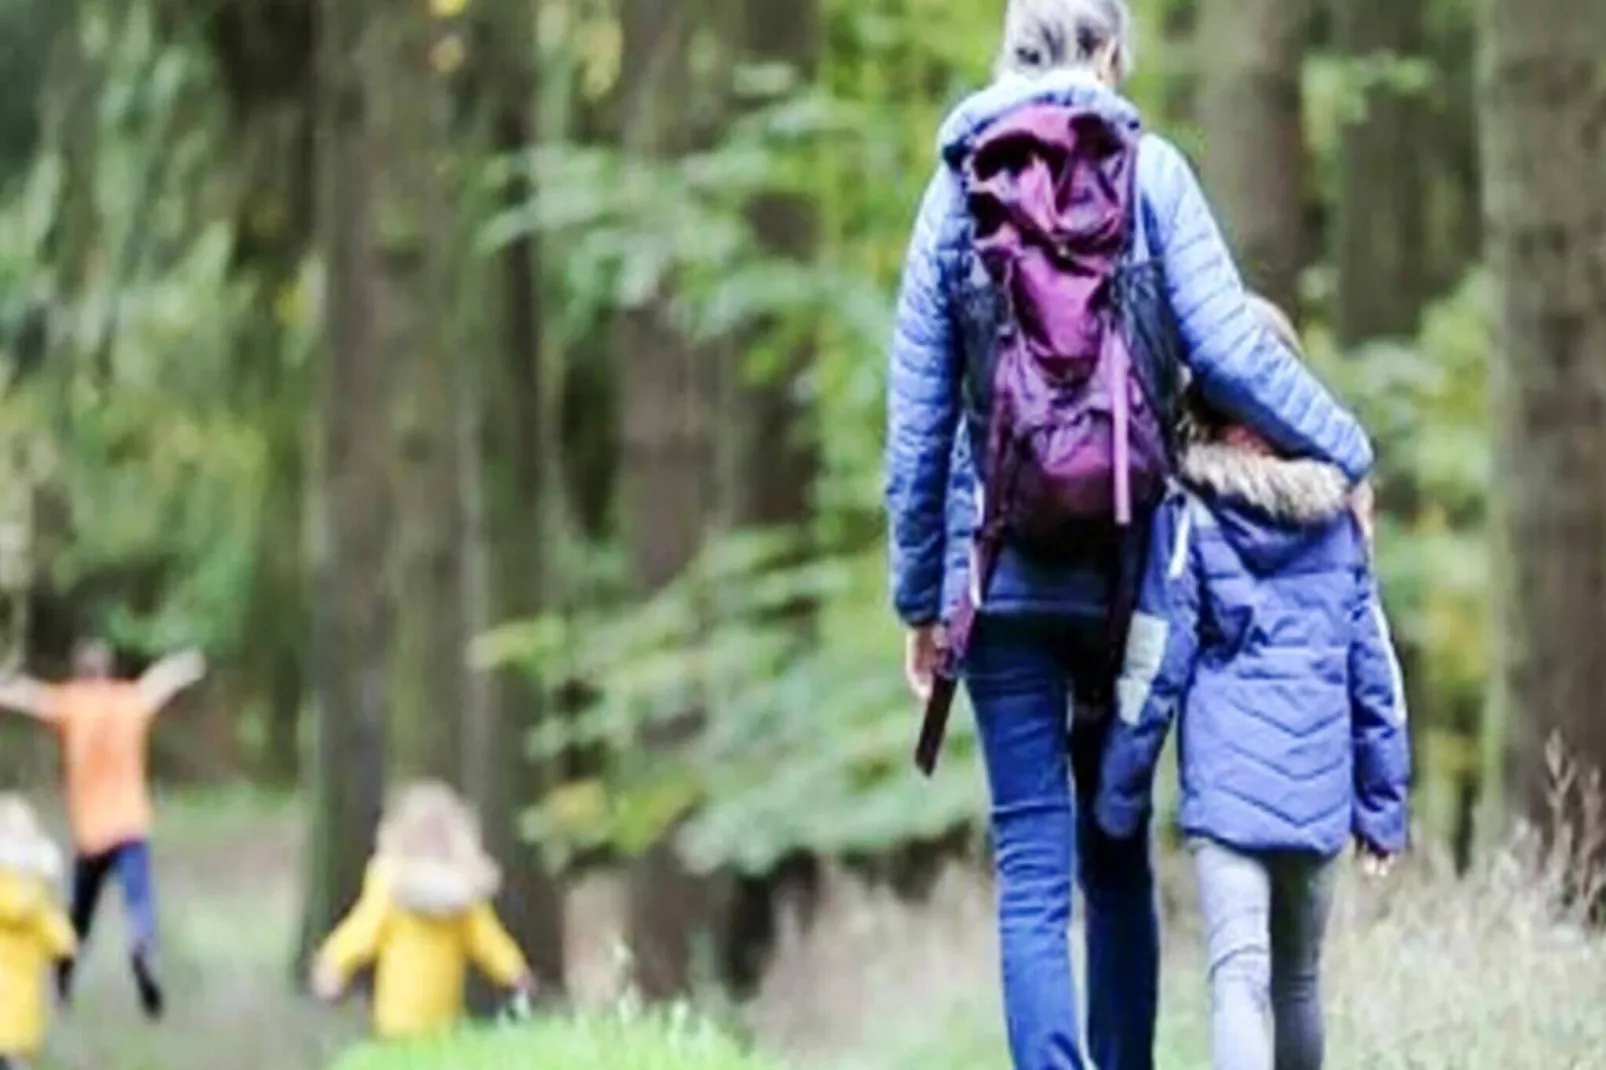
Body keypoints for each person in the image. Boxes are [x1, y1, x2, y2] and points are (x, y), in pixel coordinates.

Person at [883, 1, 1375, 1067]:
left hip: (1000, 567)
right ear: (1112, 51)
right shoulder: (1155, 175)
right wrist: (1347, 450)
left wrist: (919, 597)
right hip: (1128, 569)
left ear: (1007, 50)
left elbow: (918, 413)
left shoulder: (952, 188)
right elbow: (1235, 354)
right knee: (1115, 851)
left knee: (1029, 862)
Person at [1093, 303, 1411, 1070]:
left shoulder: (1191, 516)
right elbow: (1377, 674)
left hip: (1231, 795)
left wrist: (1119, 789)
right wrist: (1383, 806)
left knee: (1239, 980)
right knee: (1299, 981)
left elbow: (1155, 658)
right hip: (1318, 792)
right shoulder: (1339, 522)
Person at [0, 639, 206, 1019]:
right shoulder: (128, 701)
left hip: (91, 832)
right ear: (108, 670)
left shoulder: (71, 703)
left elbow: (29, 698)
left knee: (79, 915)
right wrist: (186, 664)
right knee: (139, 902)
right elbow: (157, 685)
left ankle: (63, 979)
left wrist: (6, 684)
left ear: (79, 672)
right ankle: (142, 946)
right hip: (130, 825)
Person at [309, 781, 535, 1042]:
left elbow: (487, 938)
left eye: (439, 835)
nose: (431, 844)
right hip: (395, 1021)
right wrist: (334, 963)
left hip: (444, 1020)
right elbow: (363, 929)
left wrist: (514, 970)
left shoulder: (463, 898)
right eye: (423, 834)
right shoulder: (391, 887)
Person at [0, 794, 76, 1070]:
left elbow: (58, 937)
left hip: (21, 1006)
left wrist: (64, 942)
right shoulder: (12, 886)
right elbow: (16, 908)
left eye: (26, 834)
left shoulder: (35, 890)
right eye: (13, 833)